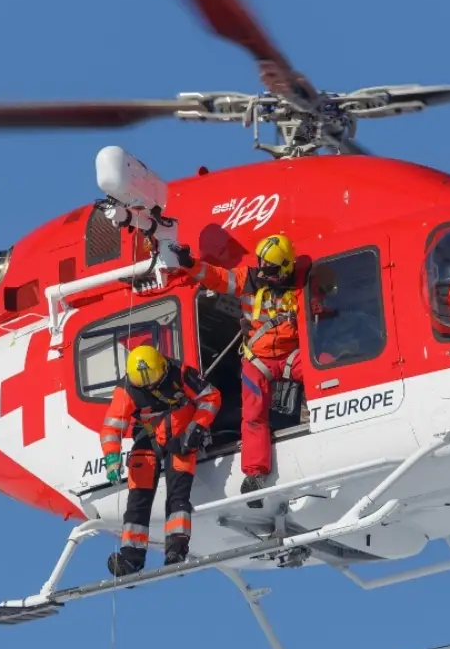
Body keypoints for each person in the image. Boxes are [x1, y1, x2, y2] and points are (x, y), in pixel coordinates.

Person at [174, 234, 303, 508]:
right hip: (258, 360)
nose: (264, 272)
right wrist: (189, 264)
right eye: (263, 266)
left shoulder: (300, 282)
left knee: (321, 373)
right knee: (253, 414)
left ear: (285, 268)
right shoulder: (249, 280)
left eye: (270, 269)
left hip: (293, 354)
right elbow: (218, 277)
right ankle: (255, 474)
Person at [100, 344, 221, 577]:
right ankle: (130, 559)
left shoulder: (181, 372)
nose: (150, 387)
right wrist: (112, 459)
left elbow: (210, 397)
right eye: (144, 385)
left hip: (181, 439)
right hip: (147, 441)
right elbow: (111, 427)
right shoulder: (126, 391)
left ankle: (176, 550)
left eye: (154, 381)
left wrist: (196, 429)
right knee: (137, 502)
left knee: (178, 496)